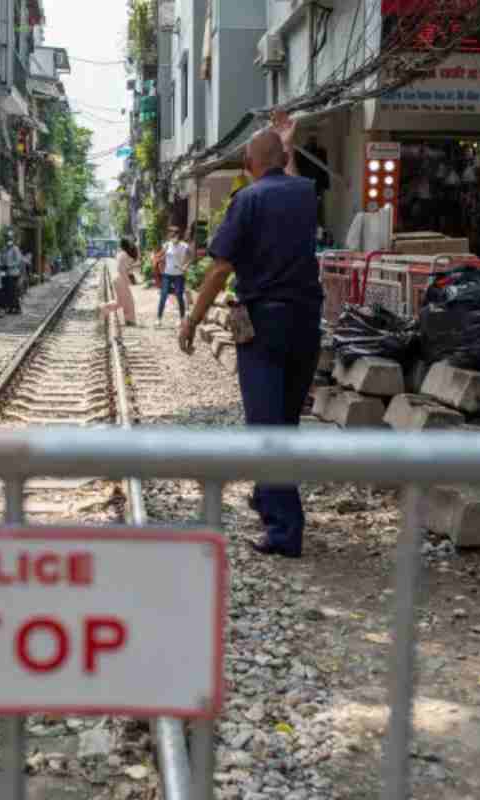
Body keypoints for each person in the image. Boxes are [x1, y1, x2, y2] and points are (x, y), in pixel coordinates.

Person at [177, 113, 323, 559]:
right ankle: (266, 496)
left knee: (265, 426)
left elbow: (221, 268)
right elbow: (290, 178)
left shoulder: (248, 200)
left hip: (263, 323)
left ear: (246, 162)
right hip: (306, 322)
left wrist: (192, 320)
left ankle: (284, 531)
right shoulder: (305, 194)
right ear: (282, 159)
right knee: (286, 420)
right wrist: (287, 146)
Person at [157, 226, 190, 327]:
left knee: (179, 296)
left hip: (179, 275)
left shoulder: (184, 246)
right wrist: (162, 267)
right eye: (170, 235)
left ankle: (182, 319)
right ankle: (159, 319)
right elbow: (159, 257)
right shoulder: (167, 245)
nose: (172, 237)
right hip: (167, 274)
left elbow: (190, 257)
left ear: (178, 235)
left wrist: (185, 266)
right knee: (163, 296)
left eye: (174, 235)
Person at [102, 237, 139, 325]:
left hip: (119, 280)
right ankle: (104, 307)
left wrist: (131, 268)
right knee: (126, 302)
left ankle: (129, 319)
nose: (131, 245)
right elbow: (122, 269)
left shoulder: (122, 254)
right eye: (130, 243)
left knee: (124, 301)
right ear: (127, 245)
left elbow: (126, 267)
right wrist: (128, 280)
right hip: (121, 280)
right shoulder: (124, 255)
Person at [1, 235, 23, 314]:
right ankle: (10, 307)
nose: (8, 241)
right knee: (8, 291)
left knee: (14, 291)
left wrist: (9, 265)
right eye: (7, 239)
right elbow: (2, 258)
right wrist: (2, 264)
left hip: (14, 273)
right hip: (7, 273)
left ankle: (17, 308)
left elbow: (18, 260)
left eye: (9, 239)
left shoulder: (15, 249)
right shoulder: (5, 249)